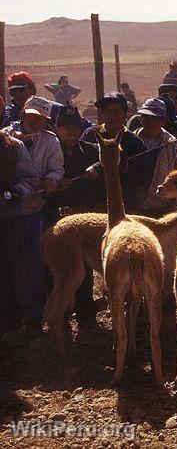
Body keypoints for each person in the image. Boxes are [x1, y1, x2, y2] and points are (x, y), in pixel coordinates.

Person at [45, 107, 102, 327]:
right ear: (57, 129)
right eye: (67, 128)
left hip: (82, 219)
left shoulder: (90, 150)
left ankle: (87, 315)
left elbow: (108, 159)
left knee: (84, 269)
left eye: (76, 128)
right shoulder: (51, 150)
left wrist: (95, 168)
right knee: (59, 271)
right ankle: (61, 316)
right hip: (57, 218)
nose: (72, 133)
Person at [0, 128, 46, 341]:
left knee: (18, 272)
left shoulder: (12, 147)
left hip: (13, 220)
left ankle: (23, 324)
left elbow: (29, 179)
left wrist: (14, 193)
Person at [80, 92, 147, 207]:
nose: (112, 116)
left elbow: (142, 178)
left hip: (124, 205)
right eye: (108, 112)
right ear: (101, 114)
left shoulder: (134, 142)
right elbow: (79, 162)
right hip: (92, 203)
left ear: (125, 115)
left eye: (117, 112)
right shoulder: (90, 134)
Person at [2, 96, 64, 199]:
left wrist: (51, 179)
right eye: (32, 116)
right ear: (23, 115)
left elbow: (57, 169)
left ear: (46, 121)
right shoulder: (6, 135)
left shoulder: (51, 141)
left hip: (37, 199)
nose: (36, 121)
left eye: (41, 118)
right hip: (6, 196)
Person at [132, 98, 177, 213]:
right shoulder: (129, 141)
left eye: (154, 118)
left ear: (163, 121)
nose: (149, 121)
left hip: (162, 209)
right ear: (140, 119)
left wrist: (173, 209)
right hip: (132, 207)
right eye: (146, 117)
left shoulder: (173, 145)